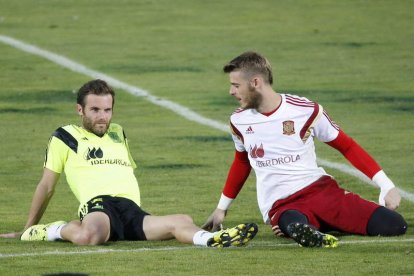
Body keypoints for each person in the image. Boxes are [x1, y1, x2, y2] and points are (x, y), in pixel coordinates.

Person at [0, 79, 258, 247]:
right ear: (80, 110)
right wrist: (27, 228)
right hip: (99, 205)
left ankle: (212, 239)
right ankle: (53, 229)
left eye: (108, 110)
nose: (103, 117)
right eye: (95, 110)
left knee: (181, 219)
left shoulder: (118, 132)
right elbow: (47, 186)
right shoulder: (65, 136)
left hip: (131, 209)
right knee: (89, 237)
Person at [202, 51, 407, 248]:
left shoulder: (305, 110)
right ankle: (308, 229)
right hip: (281, 205)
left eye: (236, 85)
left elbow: (347, 146)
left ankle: (319, 227)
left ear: (255, 82)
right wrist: (221, 208)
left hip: (322, 192)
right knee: (292, 222)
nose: (231, 92)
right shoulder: (238, 121)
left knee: (395, 225)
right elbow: (242, 162)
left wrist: (386, 185)